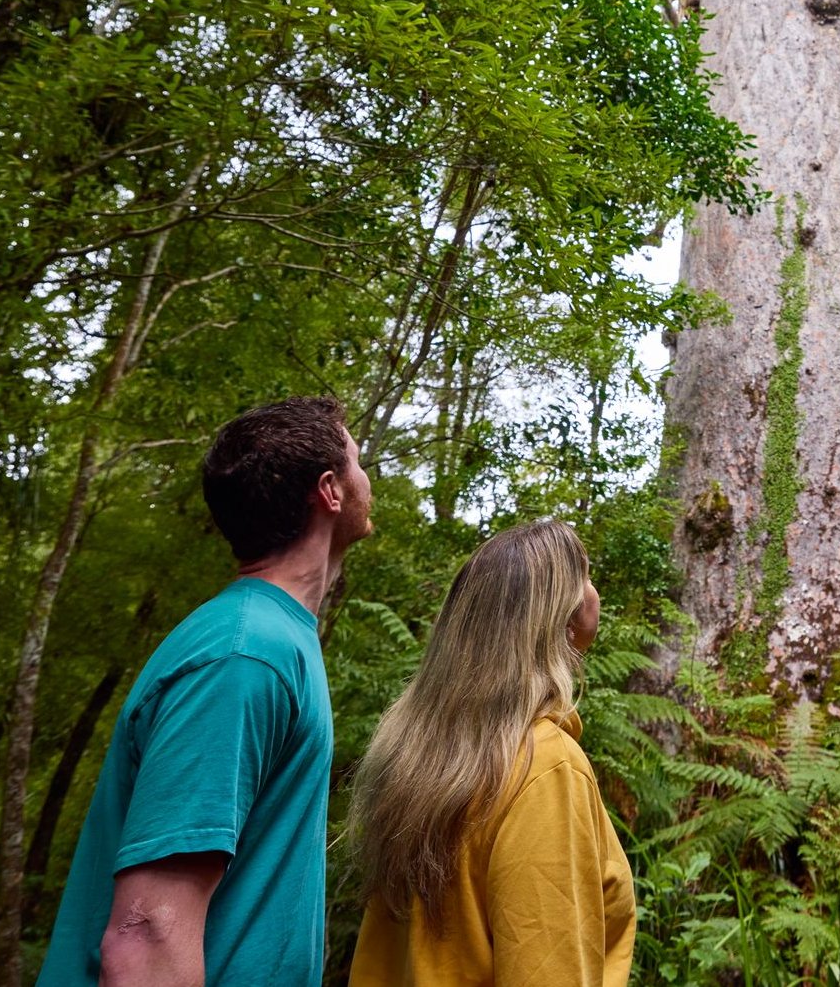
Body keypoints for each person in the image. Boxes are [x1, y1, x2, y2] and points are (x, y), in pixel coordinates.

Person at [39, 396, 374, 987]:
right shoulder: (246, 654)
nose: (368, 475)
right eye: (357, 460)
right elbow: (148, 933)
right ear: (330, 491)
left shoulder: (270, 639)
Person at [346, 518, 633, 987]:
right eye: (585, 572)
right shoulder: (544, 767)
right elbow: (546, 965)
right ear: (562, 613)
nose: (593, 588)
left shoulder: (412, 754)